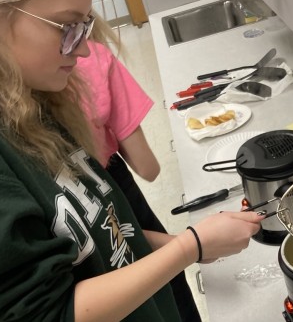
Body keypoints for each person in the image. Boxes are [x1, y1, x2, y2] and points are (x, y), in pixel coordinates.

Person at [0, 0, 265, 321]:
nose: (80, 49)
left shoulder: (33, 103)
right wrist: (189, 246)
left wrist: (180, 244)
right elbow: (50, 312)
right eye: (66, 28)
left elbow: (105, 234)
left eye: (83, 28)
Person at [77, 36, 202, 322]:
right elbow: (148, 168)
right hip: (111, 181)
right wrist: (190, 246)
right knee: (168, 288)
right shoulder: (93, 57)